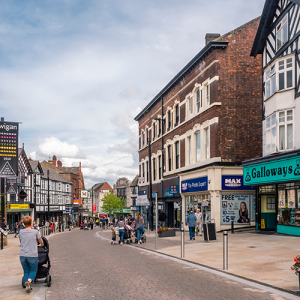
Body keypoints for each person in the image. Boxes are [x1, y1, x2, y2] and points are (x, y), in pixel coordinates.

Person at [19, 216, 44, 294]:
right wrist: (41, 245)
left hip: (22, 255)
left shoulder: (21, 232)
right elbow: (41, 241)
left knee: (26, 270)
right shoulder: (35, 231)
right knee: (33, 270)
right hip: (32, 255)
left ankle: (25, 283)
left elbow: (21, 241)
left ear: (24, 223)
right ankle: (29, 282)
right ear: (31, 222)